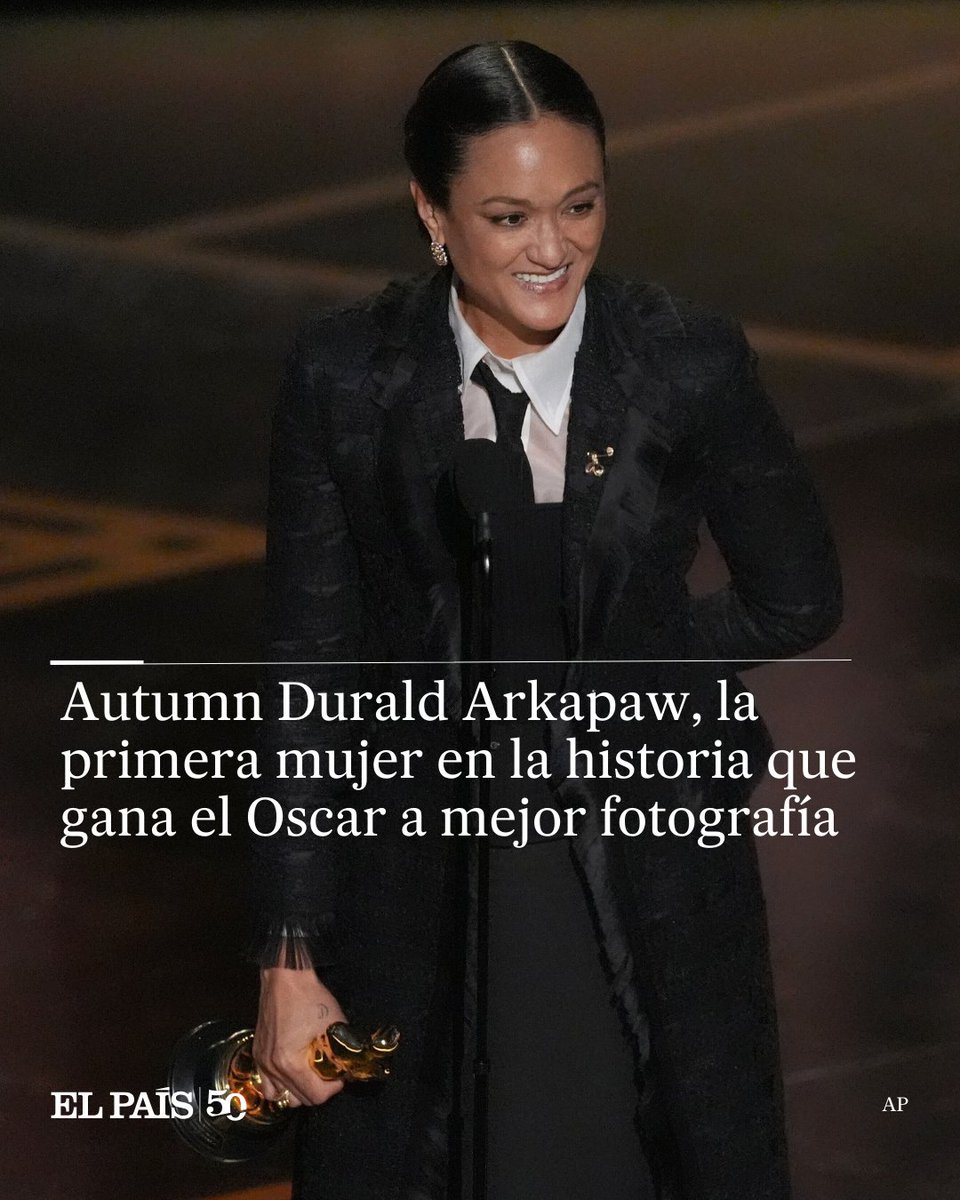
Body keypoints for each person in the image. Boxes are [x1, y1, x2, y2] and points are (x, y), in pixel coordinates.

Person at [250, 41, 842, 1200]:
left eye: (579, 205)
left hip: (641, 867)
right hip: (418, 882)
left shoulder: (683, 362)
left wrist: (618, 670)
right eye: (510, 216)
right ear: (433, 213)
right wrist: (286, 948)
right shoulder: (345, 378)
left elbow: (799, 596)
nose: (553, 247)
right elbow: (305, 665)